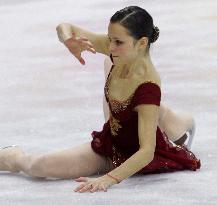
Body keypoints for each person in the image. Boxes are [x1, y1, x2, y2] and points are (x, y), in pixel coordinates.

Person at [0, 6, 200, 193]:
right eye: (110, 39)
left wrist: (109, 178)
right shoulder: (117, 50)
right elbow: (65, 26)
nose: (110, 46)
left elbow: (147, 151)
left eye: (118, 42)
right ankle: (11, 155)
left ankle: (182, 122)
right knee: (40, 166)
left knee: (157, 117)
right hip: (114, 137)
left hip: (133, 153)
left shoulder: (148, 87)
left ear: (142, 43)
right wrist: (67, 40)